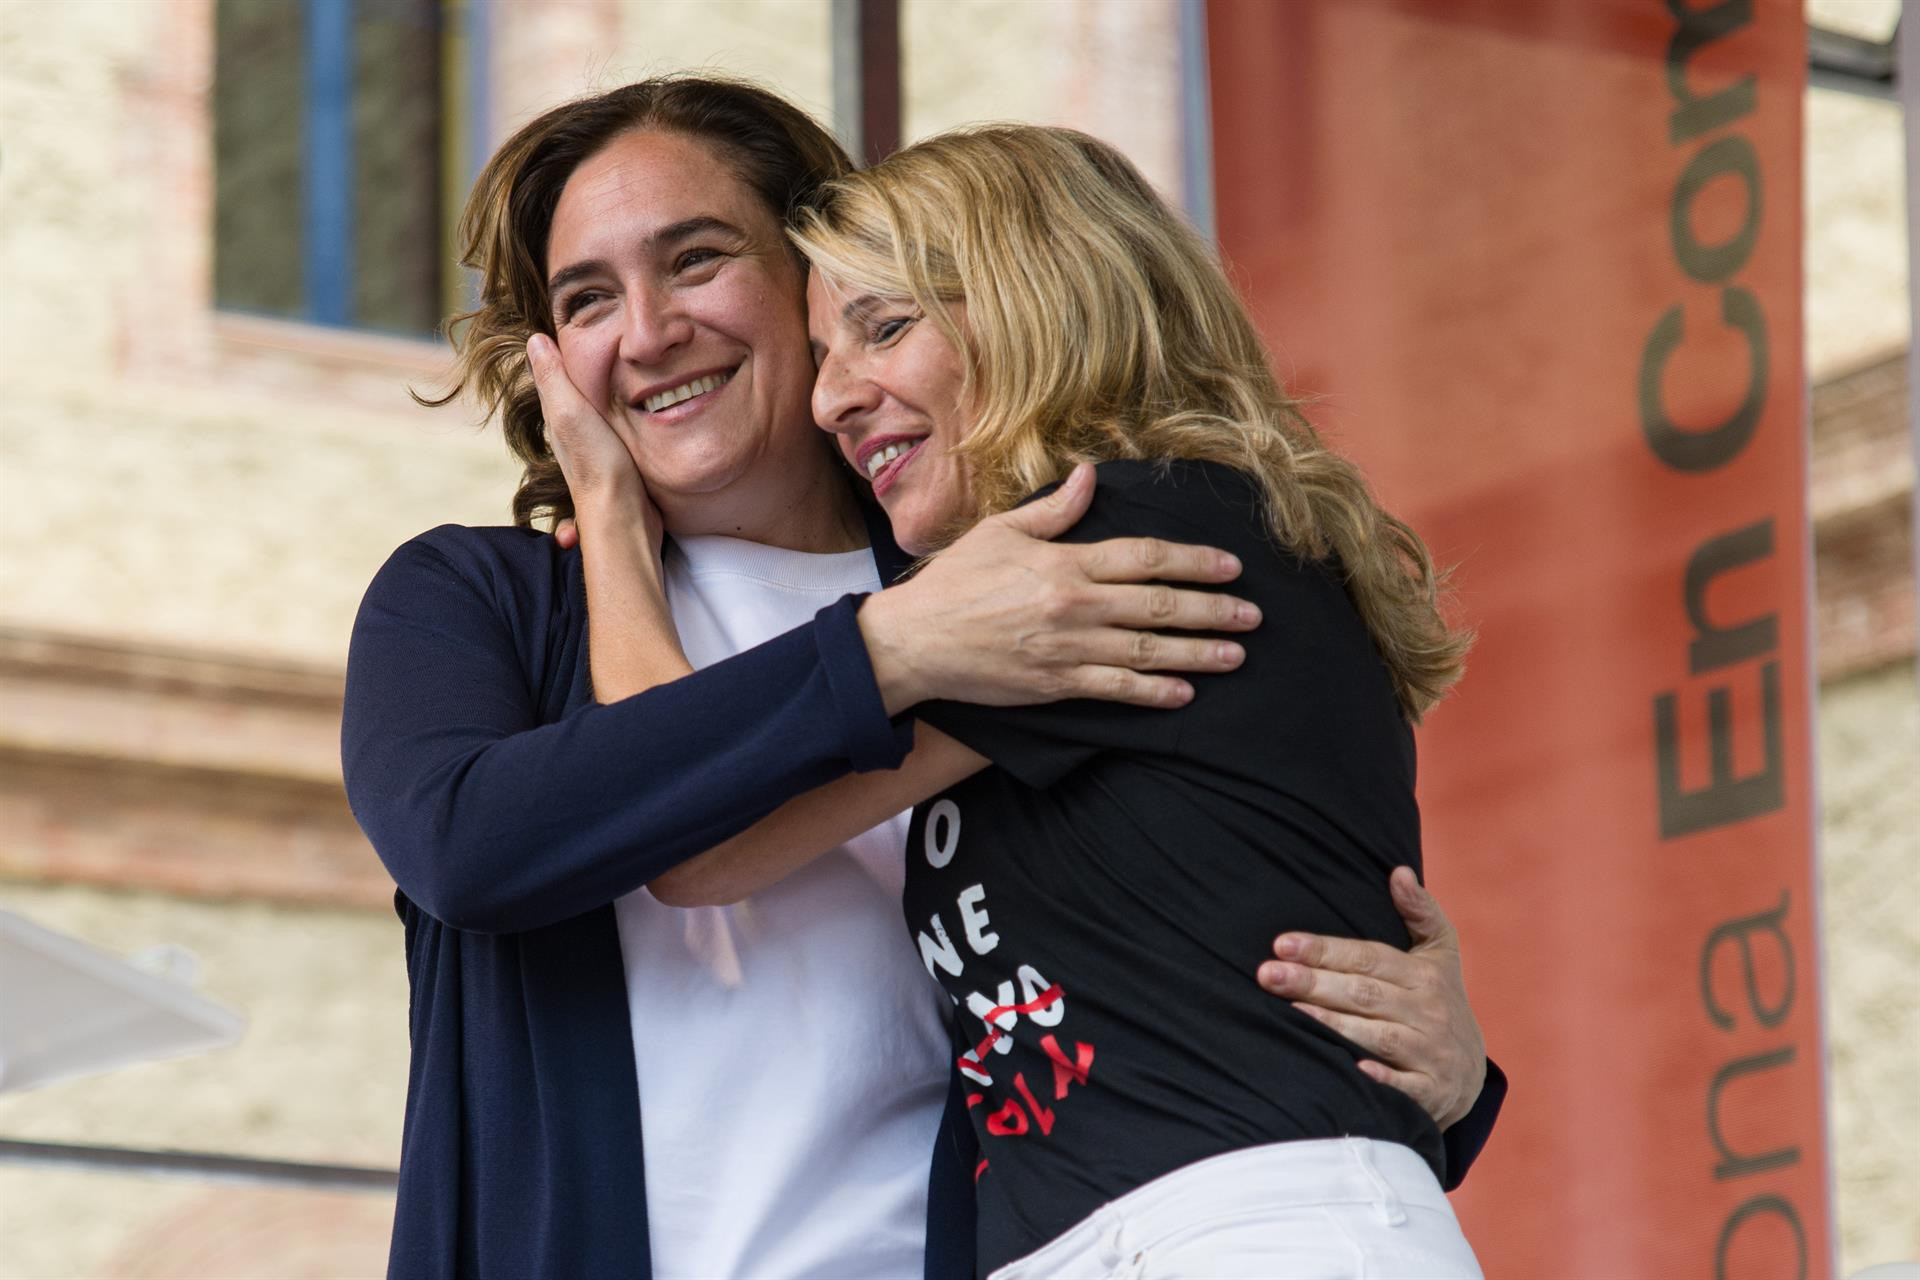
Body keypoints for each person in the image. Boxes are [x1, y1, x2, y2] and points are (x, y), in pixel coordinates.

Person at [344, 77, 1501, 1280]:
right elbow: (474, 844)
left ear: (810, 279)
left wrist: (1457, 1073)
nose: (646, 331)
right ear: (547, 361)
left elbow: (1208, 908)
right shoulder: (486, 601)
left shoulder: (1025, 566)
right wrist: (693, 566)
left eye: (695, 260)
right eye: (588, 298)